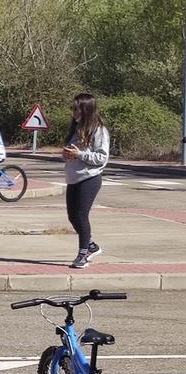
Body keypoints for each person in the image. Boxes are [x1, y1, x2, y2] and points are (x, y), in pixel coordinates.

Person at [62, 93, 110, 268]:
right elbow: (72, 152)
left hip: (89, 178)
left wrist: (79, 154)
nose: (73, 112)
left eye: (76, 108)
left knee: (82, 216)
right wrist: (66, 154)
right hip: (73, 178)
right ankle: (91, 245)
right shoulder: (76, 129)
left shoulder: (99, 130)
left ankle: (83, 254)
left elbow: (102, 158)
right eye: (72, 108)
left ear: (86, 109)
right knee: (72, 217)